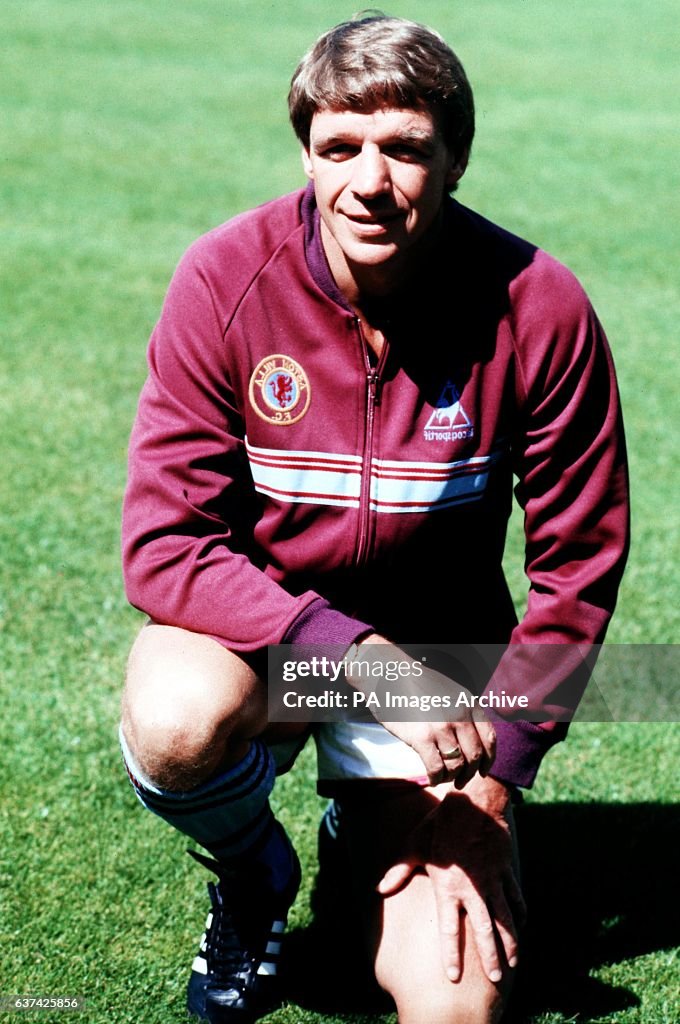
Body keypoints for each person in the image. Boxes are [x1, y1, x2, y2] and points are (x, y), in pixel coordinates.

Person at [119, 13, 629, 1024]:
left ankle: (367, 820)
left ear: (454, 160)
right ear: (305, 152)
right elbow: (164, 541)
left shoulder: (539, 305)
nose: (369, 181)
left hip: (441, 679)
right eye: (338, 148)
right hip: (283, 655)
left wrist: (503, 775)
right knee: (175, 716)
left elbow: (578, 565)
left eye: (404, 149)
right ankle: (254, 873)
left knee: (454, 1006)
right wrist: (354, 659)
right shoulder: (225, 278)